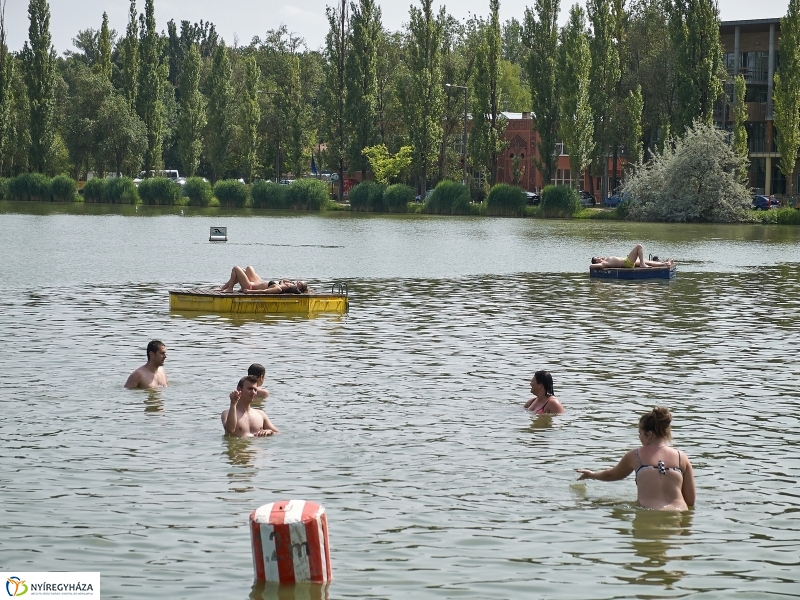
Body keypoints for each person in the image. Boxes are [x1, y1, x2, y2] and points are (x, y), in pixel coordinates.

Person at [576, 406, 695, 511]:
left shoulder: (636, 455)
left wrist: (591, 475)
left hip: (650, 513)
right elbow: (690, 501)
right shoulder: (682, 457)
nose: (639, 437)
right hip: (678, 514)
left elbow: (611, 475)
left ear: (649, 434)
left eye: (640, 434)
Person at [217, 266, 308, 294]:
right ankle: (224, 287)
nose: (294, 283)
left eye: (297, 283)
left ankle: (229, 289)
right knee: (247, 269)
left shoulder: (279, 289)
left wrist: (249, 291)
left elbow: (264, 291)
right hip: (257, 282)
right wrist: (288, 282)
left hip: (251, 286)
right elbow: (282, 281)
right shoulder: (281, 285)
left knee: (236, 269)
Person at [590, 244, 673, 269]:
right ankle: (642, 264)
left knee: (646, 260)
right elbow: (591, 266)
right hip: (627, 263)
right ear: (596, 261)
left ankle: (664, 263)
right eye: (597, 258)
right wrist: (598, 264)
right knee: (639, 246)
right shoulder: (603, 263)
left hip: (627, 261)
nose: (599, 257)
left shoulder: (605, 260)